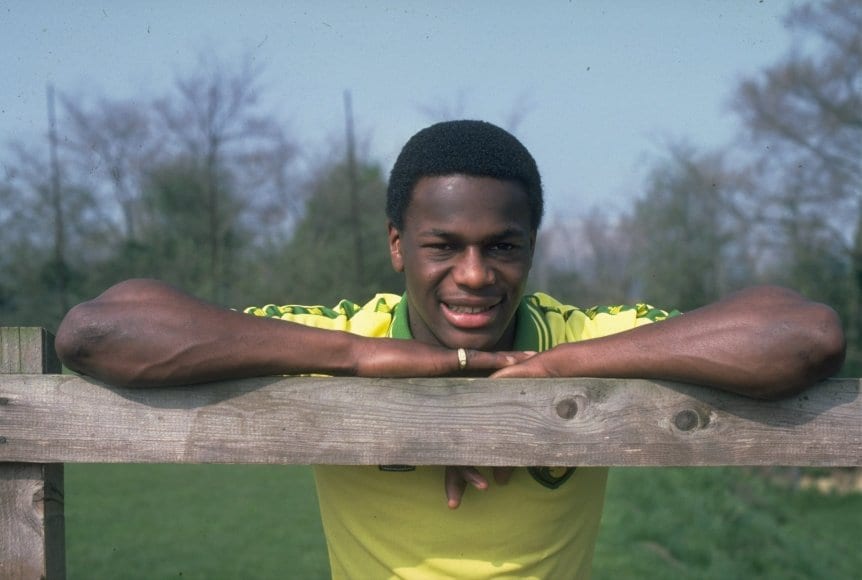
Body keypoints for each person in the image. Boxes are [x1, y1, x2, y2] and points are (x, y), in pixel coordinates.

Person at [55, 120, 845, 578]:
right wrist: (360, 363)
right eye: (444, 246)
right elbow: (94, 332)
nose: (474, 276)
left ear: (532, 247)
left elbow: (806, 336)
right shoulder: (343, 333)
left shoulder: (584, 338)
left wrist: (550, 373)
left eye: (502, 246)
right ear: (398, 246)